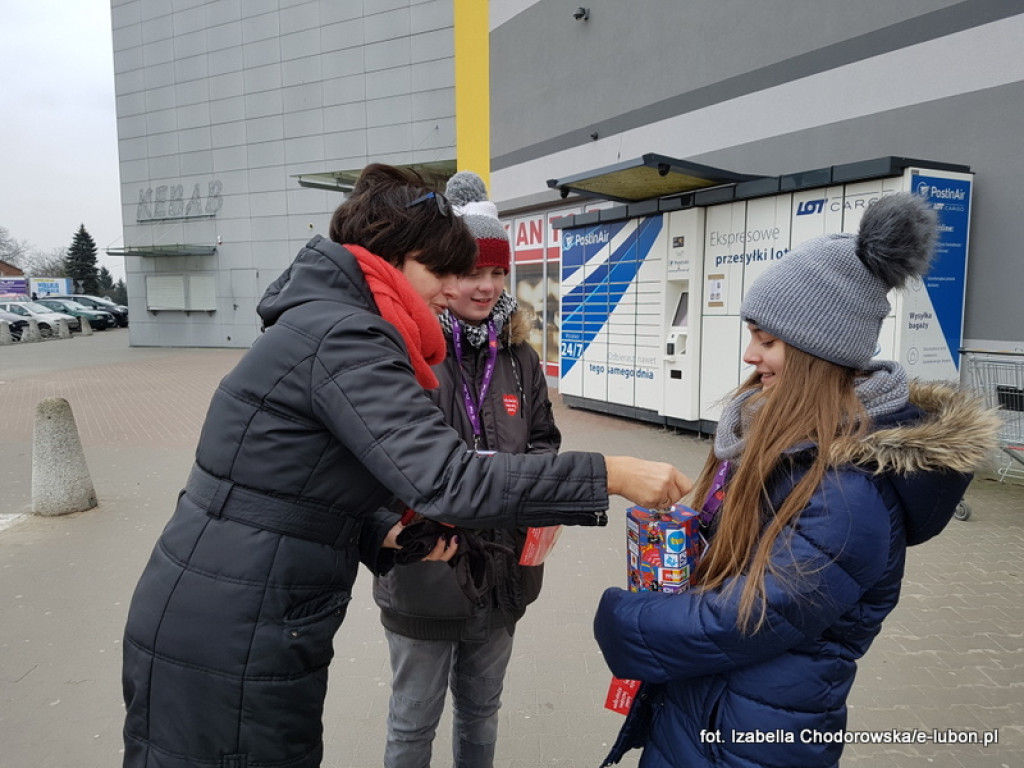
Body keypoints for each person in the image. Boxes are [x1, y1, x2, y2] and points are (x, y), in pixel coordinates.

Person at [120, 163, 691, 768]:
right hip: (236, 623)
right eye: (442, 270)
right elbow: (448, 479)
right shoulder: (347, 335)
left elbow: (284, 481)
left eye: (482, 270)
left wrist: (377, 530)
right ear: (390, 256)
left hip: (244, 605)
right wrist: (613, 473)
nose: (455, 288)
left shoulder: (331, 322)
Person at [593, 192, 1000, 768]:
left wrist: (625, 619)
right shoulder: (784, 437)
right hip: (711, 706)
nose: (750, 355)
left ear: (817, 351)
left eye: (767, 339)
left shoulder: (847, 491)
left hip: (754, 735)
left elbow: (748, 617)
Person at [373, 171, 554, 768]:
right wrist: (391, 528)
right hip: (425, 575)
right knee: (412, 723)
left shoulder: (521, 358)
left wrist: (544, 498)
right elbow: (369, 461)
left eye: (498, 272)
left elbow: (545, 442)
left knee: (482, 711)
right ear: (445, 275)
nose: (486, 286)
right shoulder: (402, 351)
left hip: (504, 574)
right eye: (473, 271)